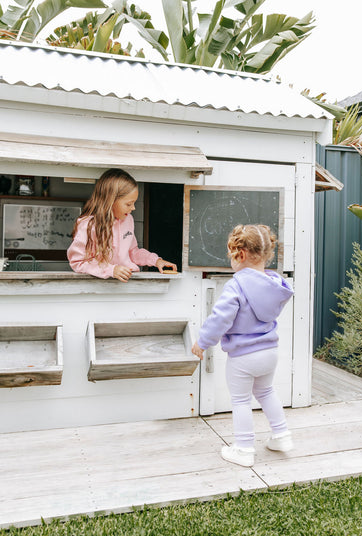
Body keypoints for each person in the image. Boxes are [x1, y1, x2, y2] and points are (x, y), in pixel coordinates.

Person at [192, 224, 293, 467]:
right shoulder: (274, 285)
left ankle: (245, 449)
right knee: (266, 392)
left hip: (243, 356)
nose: (231, 262)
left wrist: (203, 342)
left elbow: (220, 318)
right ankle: (282, 436)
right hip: (269, 352)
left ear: (241, 254)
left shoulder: (236, 285)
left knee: (240, 401)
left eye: (232, 256)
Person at [67, 168, 177, 281]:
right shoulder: (88, 225)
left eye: (134, 203)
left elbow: (133, 252)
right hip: (100, 289)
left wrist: (156, 260)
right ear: (110, 200)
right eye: (129, 204)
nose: (133, 208)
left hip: (128, 285)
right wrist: (111, 270)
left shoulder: (128, 220)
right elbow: (78, 261)